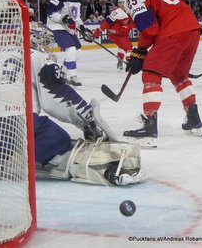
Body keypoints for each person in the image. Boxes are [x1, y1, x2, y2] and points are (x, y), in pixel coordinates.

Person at [108, 0, 202, 141]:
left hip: (174, 30)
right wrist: (140, 52)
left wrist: (139, 51)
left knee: (151, 72)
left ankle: (149, 125)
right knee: (179, 75)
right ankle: (193, 118)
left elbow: (151, 30)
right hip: (192, 29)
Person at [30, 41, 146, 186]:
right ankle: (105, 170)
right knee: (60, 141)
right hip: (19, 125)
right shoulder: (35, 56)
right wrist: (87, 119)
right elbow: (54, 96)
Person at [46, 0, 91, 87]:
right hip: (57, 26)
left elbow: (76, 17)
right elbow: (50, 12)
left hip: (68, 28)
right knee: (71, 50)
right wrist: (64, 18)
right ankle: (72, 76)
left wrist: (83, 28)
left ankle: (63, 72)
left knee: (78, 53)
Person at [94, 0, 134, 71]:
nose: (122, 4)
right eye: (120, 2)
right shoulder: (117, 12)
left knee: (122, 47)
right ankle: (129, 62)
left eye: (123, 2)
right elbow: (107, 22)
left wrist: (126, 27)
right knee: (129, 48)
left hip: (121, 33)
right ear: (118, 4)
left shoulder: (128, 11)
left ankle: (120, 61)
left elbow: (131, 23)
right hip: (116, 34)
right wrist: (99, 30)